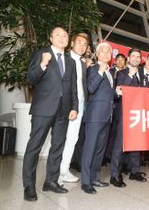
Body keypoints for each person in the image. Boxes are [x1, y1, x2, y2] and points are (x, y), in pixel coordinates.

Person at [23, 27, 78, 201]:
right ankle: (29, 186)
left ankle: (51, 181)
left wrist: (74, 107)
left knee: (57, 147)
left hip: (64, 111)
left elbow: (73, 87)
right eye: (58, 35)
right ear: (50, 38)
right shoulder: (42, 53)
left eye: (65, 35)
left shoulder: (70, 61)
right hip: (43, 109)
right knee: (34, 147)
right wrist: (42, 64)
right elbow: (30, 78)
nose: (62, 38)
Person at [80, 42, 115, 194]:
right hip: (95, 115)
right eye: (103, 51)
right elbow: (91, 88)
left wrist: (117, 92)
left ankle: (95, 178)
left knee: (100, 150)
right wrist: (100, 71)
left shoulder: (110, 71)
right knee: (90, 148)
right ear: (97, 54)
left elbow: (107, 93)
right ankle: (85, 181)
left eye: (109, 52)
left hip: (107, 115)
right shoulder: (93, 68)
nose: (106, 54)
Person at [110, 48, 146, 188]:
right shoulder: (122, 73)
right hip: (124, 114)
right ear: (128, 58)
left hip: (137, 115)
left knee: (136, 143)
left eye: (138, 56)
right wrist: (130, 76)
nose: (136, 59)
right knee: (119, 145)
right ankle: (114, 174)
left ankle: (134, 171)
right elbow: (118, 90)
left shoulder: (142, 75)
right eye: (133, 56)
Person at [59, 33, 88, 184]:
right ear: (72, 43)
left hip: (80, 107)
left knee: (72, 139)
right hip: (64, 106)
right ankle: (55, 171)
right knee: (59, 139)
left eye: (85, 44)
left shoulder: (83, 64)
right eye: (79, 43)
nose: (82, 46)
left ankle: (64, 170)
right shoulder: (64, 58)